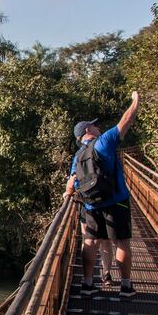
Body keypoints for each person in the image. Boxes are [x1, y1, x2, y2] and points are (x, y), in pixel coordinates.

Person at [64, 91, 140, 297]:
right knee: (121, 241)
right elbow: (126, 120)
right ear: (88, 129)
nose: (98, 127)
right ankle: (125, 286)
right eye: (95, 125)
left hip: (91, 204)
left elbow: (72, 180)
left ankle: (87, 284)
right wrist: (135, 101)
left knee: (90, 242)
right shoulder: (104, 141)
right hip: (116, 201)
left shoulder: (78, 155)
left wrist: (68, 194)